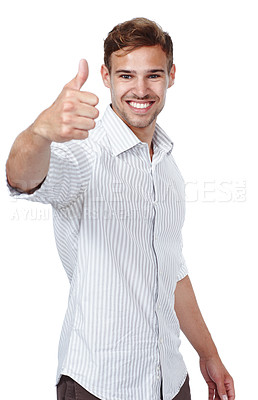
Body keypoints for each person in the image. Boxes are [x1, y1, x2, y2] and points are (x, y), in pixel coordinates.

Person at [6, 17, 235, 400]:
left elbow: (171, 268)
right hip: (100, 384)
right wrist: (40, 132)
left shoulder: (167, 167)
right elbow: (22, 178)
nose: (141, 90)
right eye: (126, 75)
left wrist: (208, 354)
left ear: (171, 76)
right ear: (106, 76)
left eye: (153, 75)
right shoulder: (83, 153)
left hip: (171, 382)